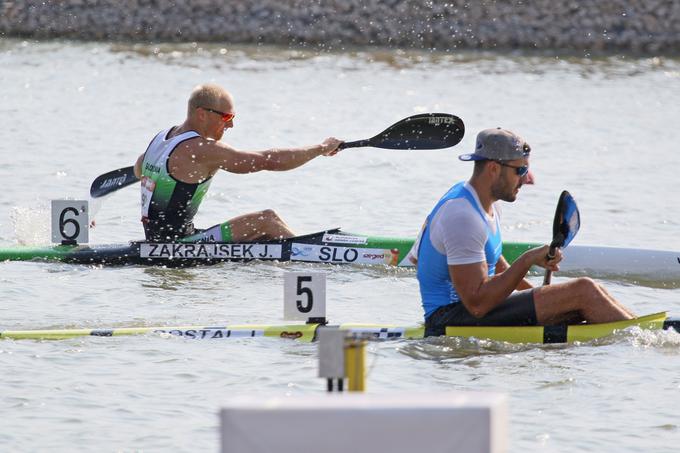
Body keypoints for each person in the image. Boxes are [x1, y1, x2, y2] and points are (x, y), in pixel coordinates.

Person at [411, 127, 635, 337]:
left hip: (473, 309)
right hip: (448, 319)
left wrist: (540, 295)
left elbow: (492, 260)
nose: (528, 179)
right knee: (583, 291)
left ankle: (642, 327)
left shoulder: (485, 202)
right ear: (493, 168)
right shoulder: (462, 216)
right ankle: (644, 337)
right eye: (521, 170)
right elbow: (477, 304)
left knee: (592, 290)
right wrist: (528, 259)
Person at [133, 83, 342, 243]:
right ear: (202, 114)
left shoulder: (163, 138)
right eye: (226, 117)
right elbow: (267, 161)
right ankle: (313, 254)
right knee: (267, 220)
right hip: (181, 245)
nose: (231, 124)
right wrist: (321, 148)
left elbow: (138, 168)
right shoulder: (201, 148)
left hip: (158, 241)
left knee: (262, 233)